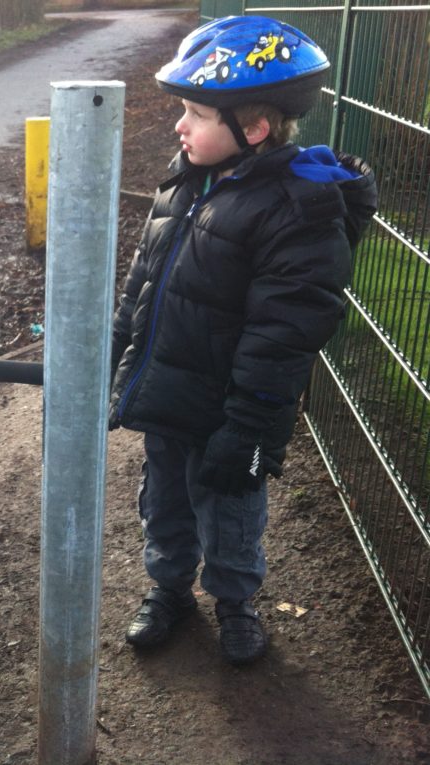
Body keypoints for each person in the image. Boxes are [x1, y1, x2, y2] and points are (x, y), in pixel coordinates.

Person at [109, 16, 378, 665]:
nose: (179, 126)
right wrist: (117, 351)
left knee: (230, 513)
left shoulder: (296, 212)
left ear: (252, 129)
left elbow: (283, 337)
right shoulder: (189, 181)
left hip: (233, 411)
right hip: (172, 391)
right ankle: (168, 588)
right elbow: (145, 277)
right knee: (165, 500)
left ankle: (235, 599)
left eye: (196, 114)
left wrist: (250, 428)